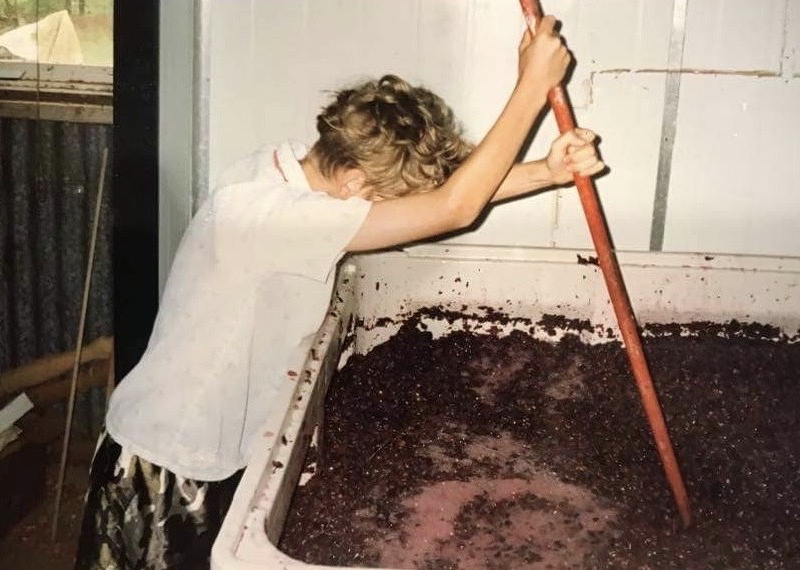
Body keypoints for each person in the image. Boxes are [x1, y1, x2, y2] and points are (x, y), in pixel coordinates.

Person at [75, 15, 605, 569]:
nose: (392, 216)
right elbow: (453, 207)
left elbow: (443, 197)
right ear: (353, 183)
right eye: (385, 202)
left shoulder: (284, 170)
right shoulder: (270, 217)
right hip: (165, 464)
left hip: (213, 442)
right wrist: (528, 88)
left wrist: (545, 171)